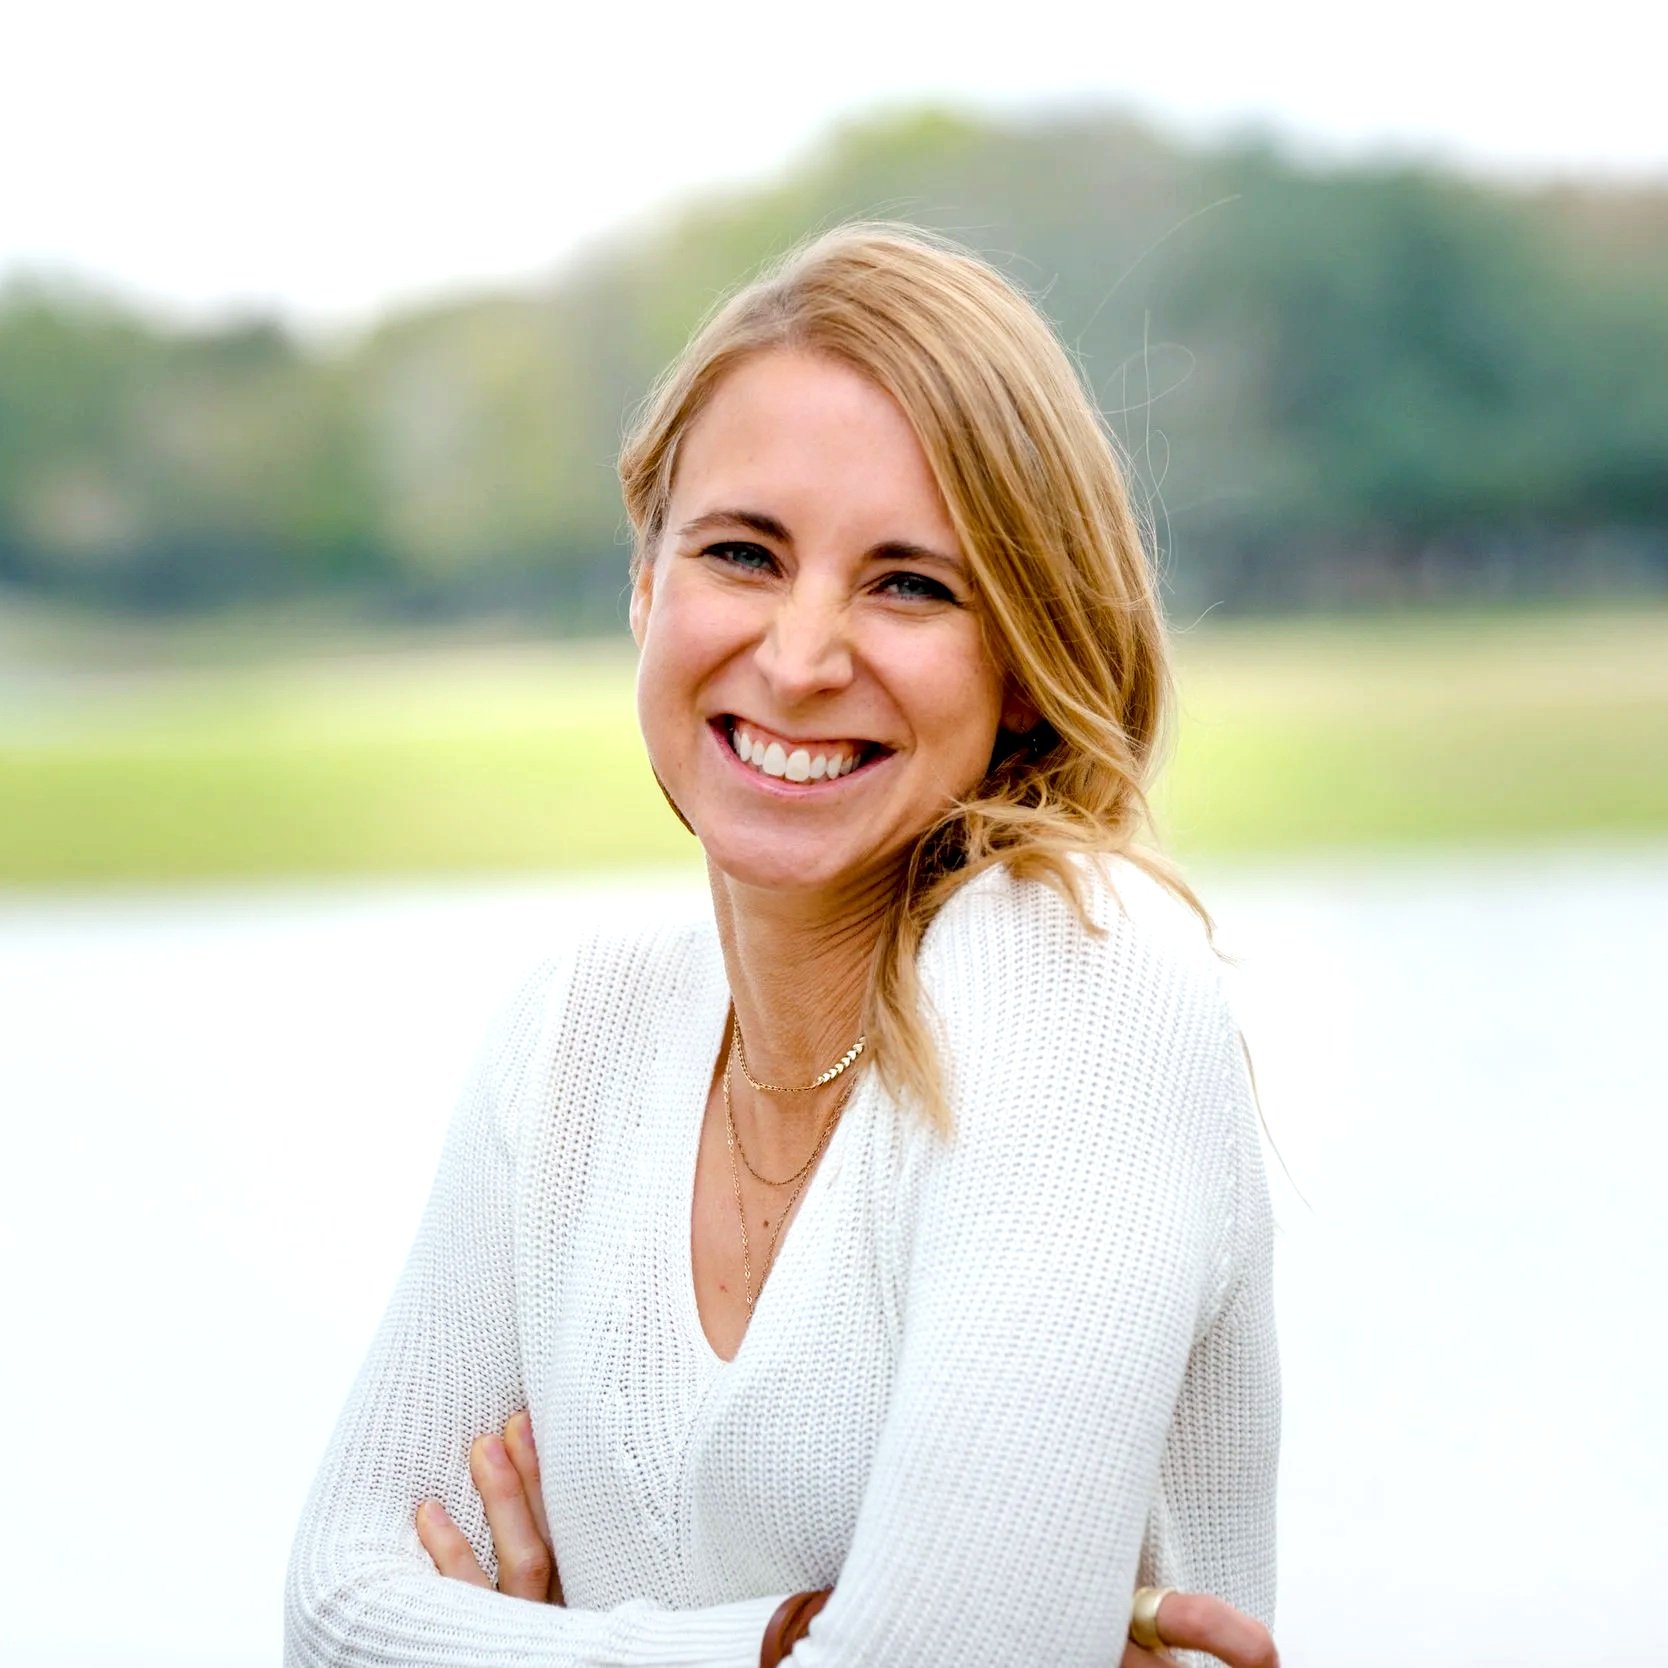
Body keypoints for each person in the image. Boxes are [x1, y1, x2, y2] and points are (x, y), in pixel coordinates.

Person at [284, 223, 1281, 1667]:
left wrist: (535, 1646)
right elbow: (333, 1608)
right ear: (645, 585)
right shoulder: (577, 1027)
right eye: (744, 554)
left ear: (1020, 660)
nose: (804, 656)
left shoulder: (1081, 973)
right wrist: (779, 1639)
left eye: (909, 584)